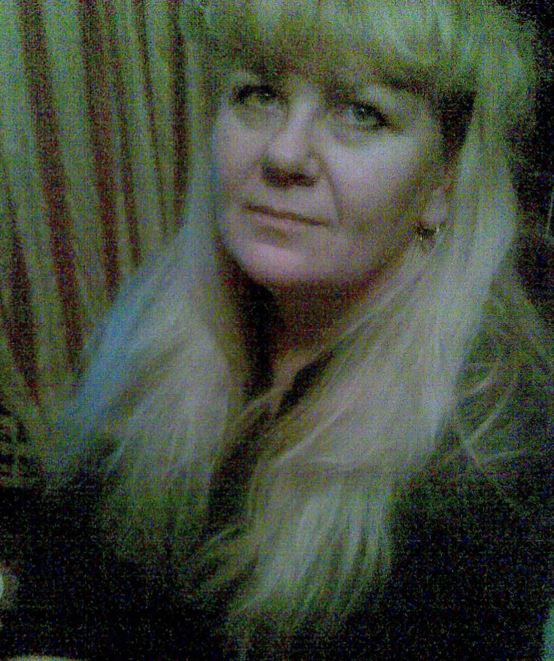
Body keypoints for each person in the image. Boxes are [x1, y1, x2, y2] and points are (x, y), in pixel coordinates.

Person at [2, 0, 552, 658]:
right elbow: (58, 597)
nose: (284, 153)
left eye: (362, 112)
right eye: (259, 94)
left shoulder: (493, 457)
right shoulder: (153, 334)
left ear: (443, 185)